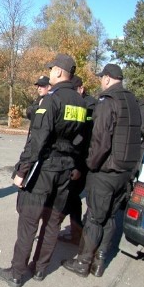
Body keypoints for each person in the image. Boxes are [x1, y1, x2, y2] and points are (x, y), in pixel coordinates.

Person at [0, 54, 88, 287]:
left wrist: (21, 171)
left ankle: (17, 273)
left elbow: (37, 141)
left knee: (29, 221)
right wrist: (76, 165)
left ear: (57, 72)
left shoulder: (50, 100)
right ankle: (40, 269)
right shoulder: (81, 103)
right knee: (53, 221)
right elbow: (82, 140)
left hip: (45, 170)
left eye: (52, 69)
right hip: (66, 172)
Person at [62, 63, 141, 278]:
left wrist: (90, 165)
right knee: (110, 218)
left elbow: (100, 141)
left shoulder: (107, 102)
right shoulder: (133, 102)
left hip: (106, 172)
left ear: (107, 78)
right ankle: (99, 262)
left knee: (95, 219)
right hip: (125, 173)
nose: (100, 82)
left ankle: (83, 261)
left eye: (101, 78)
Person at [59, 74, 96, 244]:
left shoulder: (90, 106)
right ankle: (75, 233)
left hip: (82, 160)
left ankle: (60, 230)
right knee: (73, 199)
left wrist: (79, 166)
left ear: (81, 89)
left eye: (75, 90)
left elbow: (86, 140)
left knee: (70, 197)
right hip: (74, 159)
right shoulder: (79, 103)